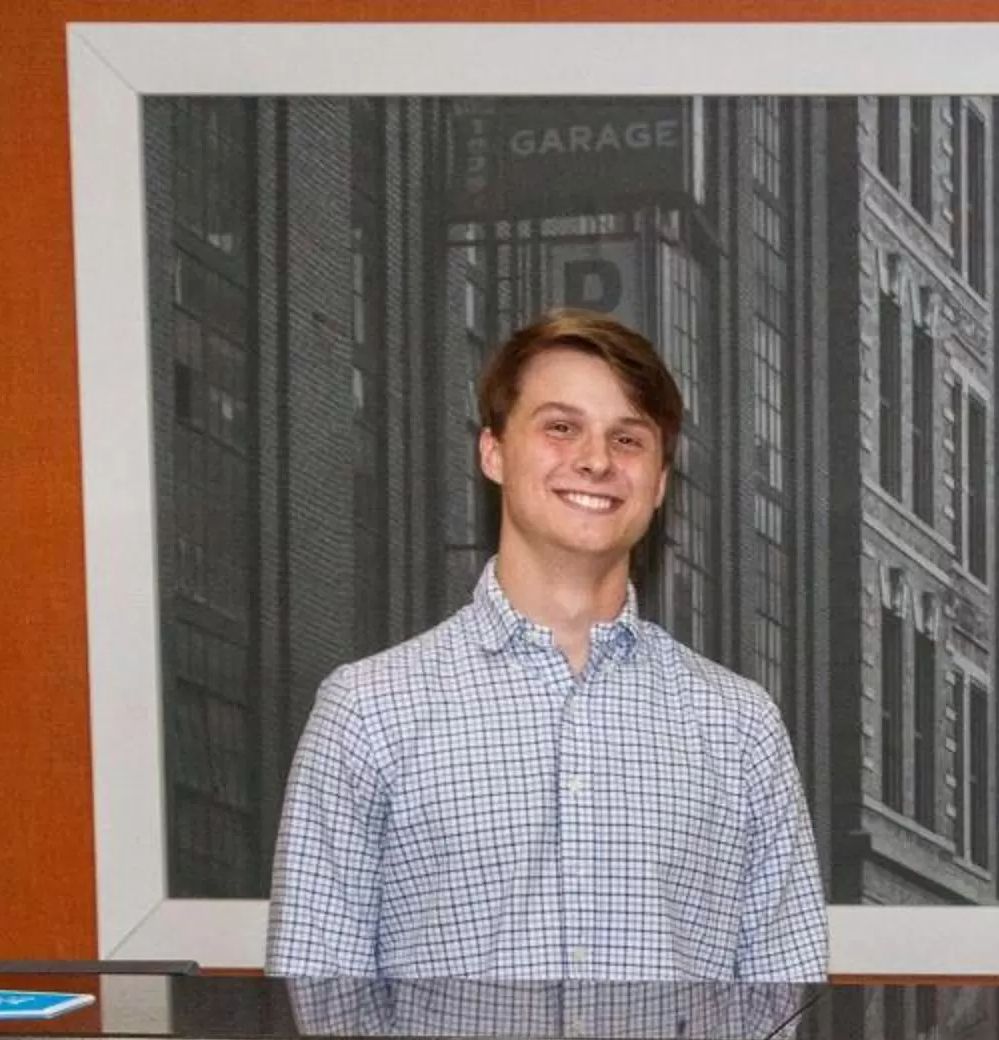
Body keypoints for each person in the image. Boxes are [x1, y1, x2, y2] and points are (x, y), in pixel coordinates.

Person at [267, 308, 829, 983]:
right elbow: (315, 1010)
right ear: (494, 452)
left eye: (628, 440)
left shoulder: (740, 727)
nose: (595, 460)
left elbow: (785, 1010)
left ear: (658, 484)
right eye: (561, 428)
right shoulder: (368, 712)